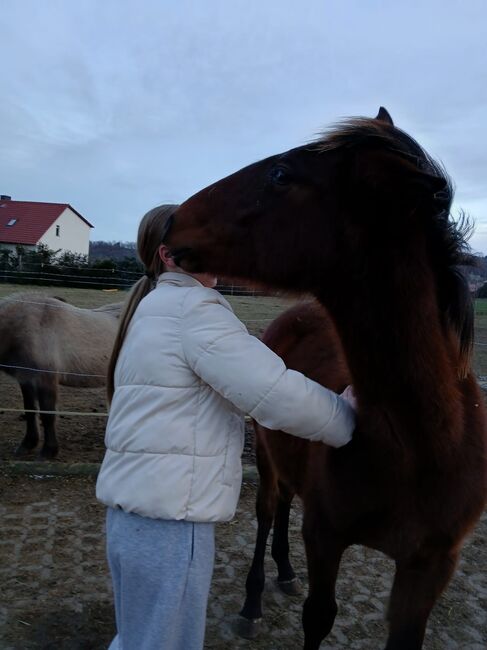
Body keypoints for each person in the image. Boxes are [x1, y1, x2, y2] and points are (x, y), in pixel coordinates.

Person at [96, 204, 356, 650]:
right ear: (168, 256)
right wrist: (347, 417)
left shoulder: (151, 307)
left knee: (137, 639)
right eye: (205, 244)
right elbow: (275, 393)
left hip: (129, 520)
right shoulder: (195, 312)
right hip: (170, 525)